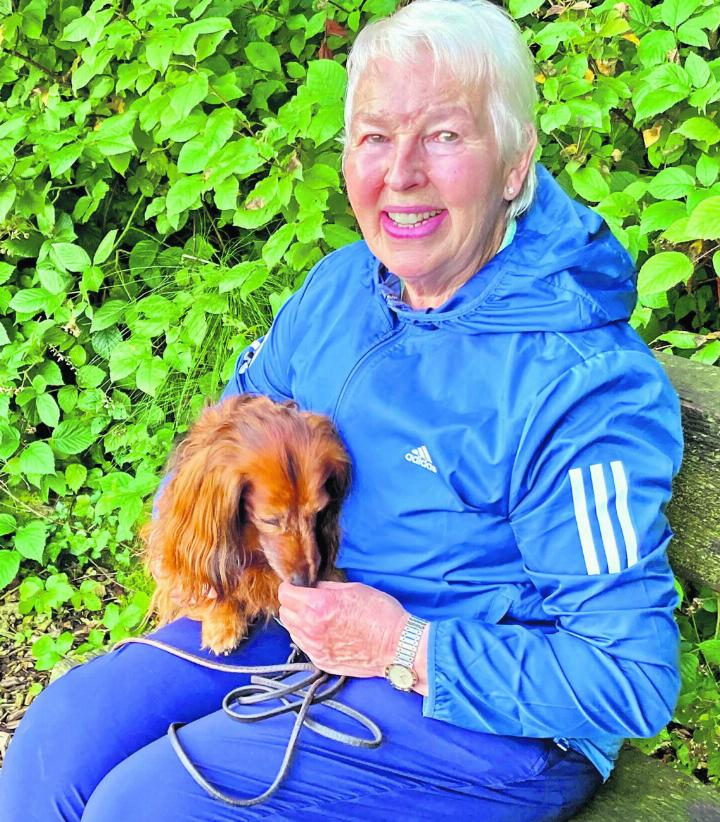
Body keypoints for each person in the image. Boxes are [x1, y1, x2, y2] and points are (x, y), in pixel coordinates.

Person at [0, 1, 683, 819]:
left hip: (482, 718)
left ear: (514, 162)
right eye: (374, 137)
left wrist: (403, 646)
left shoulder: (581, 386)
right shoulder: (336, 292)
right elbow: (218, 445)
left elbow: (630, 681)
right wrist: (217, 560)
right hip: (300, 628)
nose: (402, 173)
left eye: (444, 135)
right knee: (58, 745)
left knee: (149, 806)